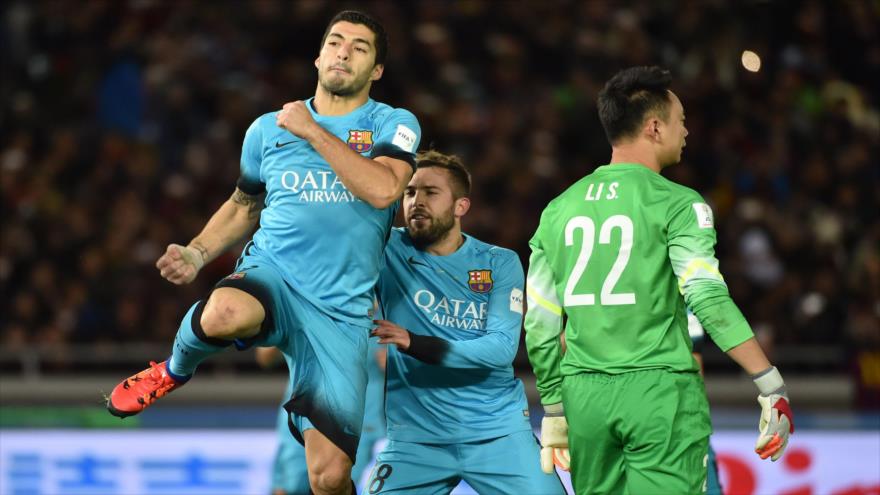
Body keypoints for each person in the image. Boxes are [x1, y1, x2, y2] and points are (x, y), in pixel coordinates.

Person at [105, 10, 421, 495]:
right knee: (224, 311)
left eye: (360, 48)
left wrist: (315, 132)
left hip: (341, 312)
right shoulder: (266, 130)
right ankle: (171, 370)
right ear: (318, 57)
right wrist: (196, 252)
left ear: (376, 70)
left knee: (329, 477)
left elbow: (383, 190)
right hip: (274, 275)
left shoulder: (393, 123)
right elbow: (244, 204)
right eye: (335, 42)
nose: (344, 52)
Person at [523, 66, 794, 494]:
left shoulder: (557, 210)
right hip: (659, 391)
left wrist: (554, 406)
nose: (685, 131)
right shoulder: (679, 204)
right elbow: (705, 296)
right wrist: (769, 383)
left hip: (584, 398)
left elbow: (539, 322)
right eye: (680, 120)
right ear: (654, 127)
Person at [368, 151, 565, 494]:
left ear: (461, 207)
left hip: (497, 434)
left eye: (431, 193)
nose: (416, 201)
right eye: (410, 192)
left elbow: (501, 349)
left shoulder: (499, 263)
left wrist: (415, 343)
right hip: (416, 441)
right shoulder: (388, 250)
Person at [256, 344, 387, 495]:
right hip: (302, 414)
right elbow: (264, 357)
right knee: (288, 488)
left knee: (335, 485)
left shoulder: (390, 321)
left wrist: (397, 361)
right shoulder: (302, 319)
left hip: (359, 422)